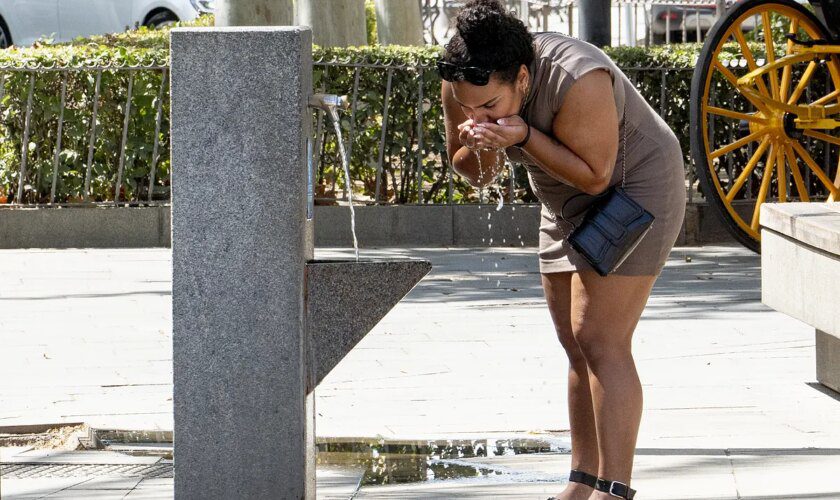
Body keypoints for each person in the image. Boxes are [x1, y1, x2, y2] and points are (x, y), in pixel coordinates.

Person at [438, 1, 687, 499]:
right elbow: (474, 170)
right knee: (572, 344)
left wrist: (523, 135)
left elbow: (596, 175)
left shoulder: (578, 75)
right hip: (560, 196)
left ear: (524, 79)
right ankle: (582, 481)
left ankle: (614, 491)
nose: (475, 113)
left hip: (635, 188)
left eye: (489, 107)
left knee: (598, 337)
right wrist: (483, 143)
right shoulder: (462, 80)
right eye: (468, 108)